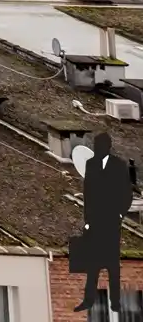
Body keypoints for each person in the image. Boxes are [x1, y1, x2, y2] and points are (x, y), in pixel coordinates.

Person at [70, 132, 135, 312]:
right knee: (93, 264)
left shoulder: (118, 165)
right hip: (96, 222)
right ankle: (88, 300)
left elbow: (127, 193)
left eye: (100, 145)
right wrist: (88, 221)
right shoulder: (91, 165)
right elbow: (88, 195)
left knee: (113, 264)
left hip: (112, 222)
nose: (97, 148)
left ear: (107, 146)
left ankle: (115, 302)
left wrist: (120, 214)